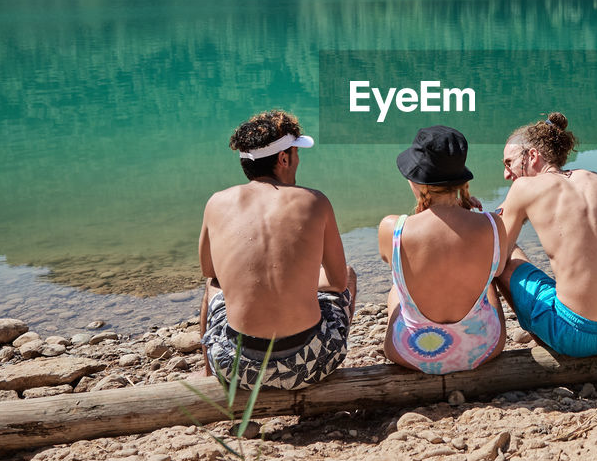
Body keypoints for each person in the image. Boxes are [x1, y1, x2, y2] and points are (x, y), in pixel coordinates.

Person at [199, 109, 356, 388]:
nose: (298, 160)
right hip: (312, 363)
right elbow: (337, 281)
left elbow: (210, 270)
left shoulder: (217, 202)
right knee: (349, 274)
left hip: (238, 369)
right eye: (297, 153)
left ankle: (208, 375)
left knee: (213, 285)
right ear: (283, 159)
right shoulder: (314, 201)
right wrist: (298, 280)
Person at [495, 112, 597, 357]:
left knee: (507, 256)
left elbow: (495, 264)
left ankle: (543, 338)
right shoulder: (596, 180)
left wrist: (487, 222)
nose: (507, 174)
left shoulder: (523, 188)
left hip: (575, 337)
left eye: (508, 163)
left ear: (532, 155)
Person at [379, 126, 510, 374]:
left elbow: (408, 258)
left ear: (415, 179)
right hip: (482, 348)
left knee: (398, 286)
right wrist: (470, 216)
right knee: (488, 281)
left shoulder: (392, 228)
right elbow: (498, 270)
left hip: (411, 353)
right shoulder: (493, 225)